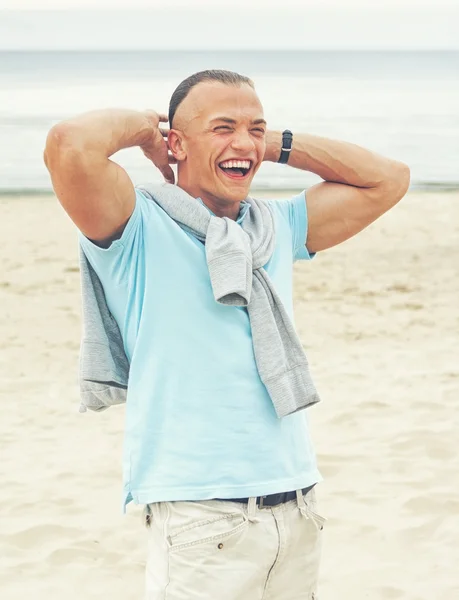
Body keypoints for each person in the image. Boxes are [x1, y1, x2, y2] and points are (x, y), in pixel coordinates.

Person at [43, 70, 410, 600]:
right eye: (221, 128)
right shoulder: (135, 226)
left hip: (296, 507)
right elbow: (69, 145)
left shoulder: (276, 228)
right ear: (178, 144)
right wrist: (146, 130)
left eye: (253, 128)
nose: (242, 143)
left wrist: (272, 143)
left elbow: (389, 179)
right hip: (201, 515)